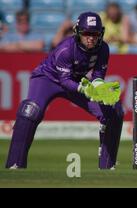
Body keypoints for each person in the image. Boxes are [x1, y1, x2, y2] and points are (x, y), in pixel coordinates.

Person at [5, 12, 123, 169]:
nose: (91, 38)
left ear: (100, 33)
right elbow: (64, 81)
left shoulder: (103, 49)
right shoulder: (66, 49)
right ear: (77, 32)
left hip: (75, 80)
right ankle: (15, 164)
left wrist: (99, 87)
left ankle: (107, 166)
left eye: (94, 34)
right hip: (47, 78)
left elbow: (98, 75)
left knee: (114, 110)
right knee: (30, 111)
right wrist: (85, 89)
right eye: (86, 33)